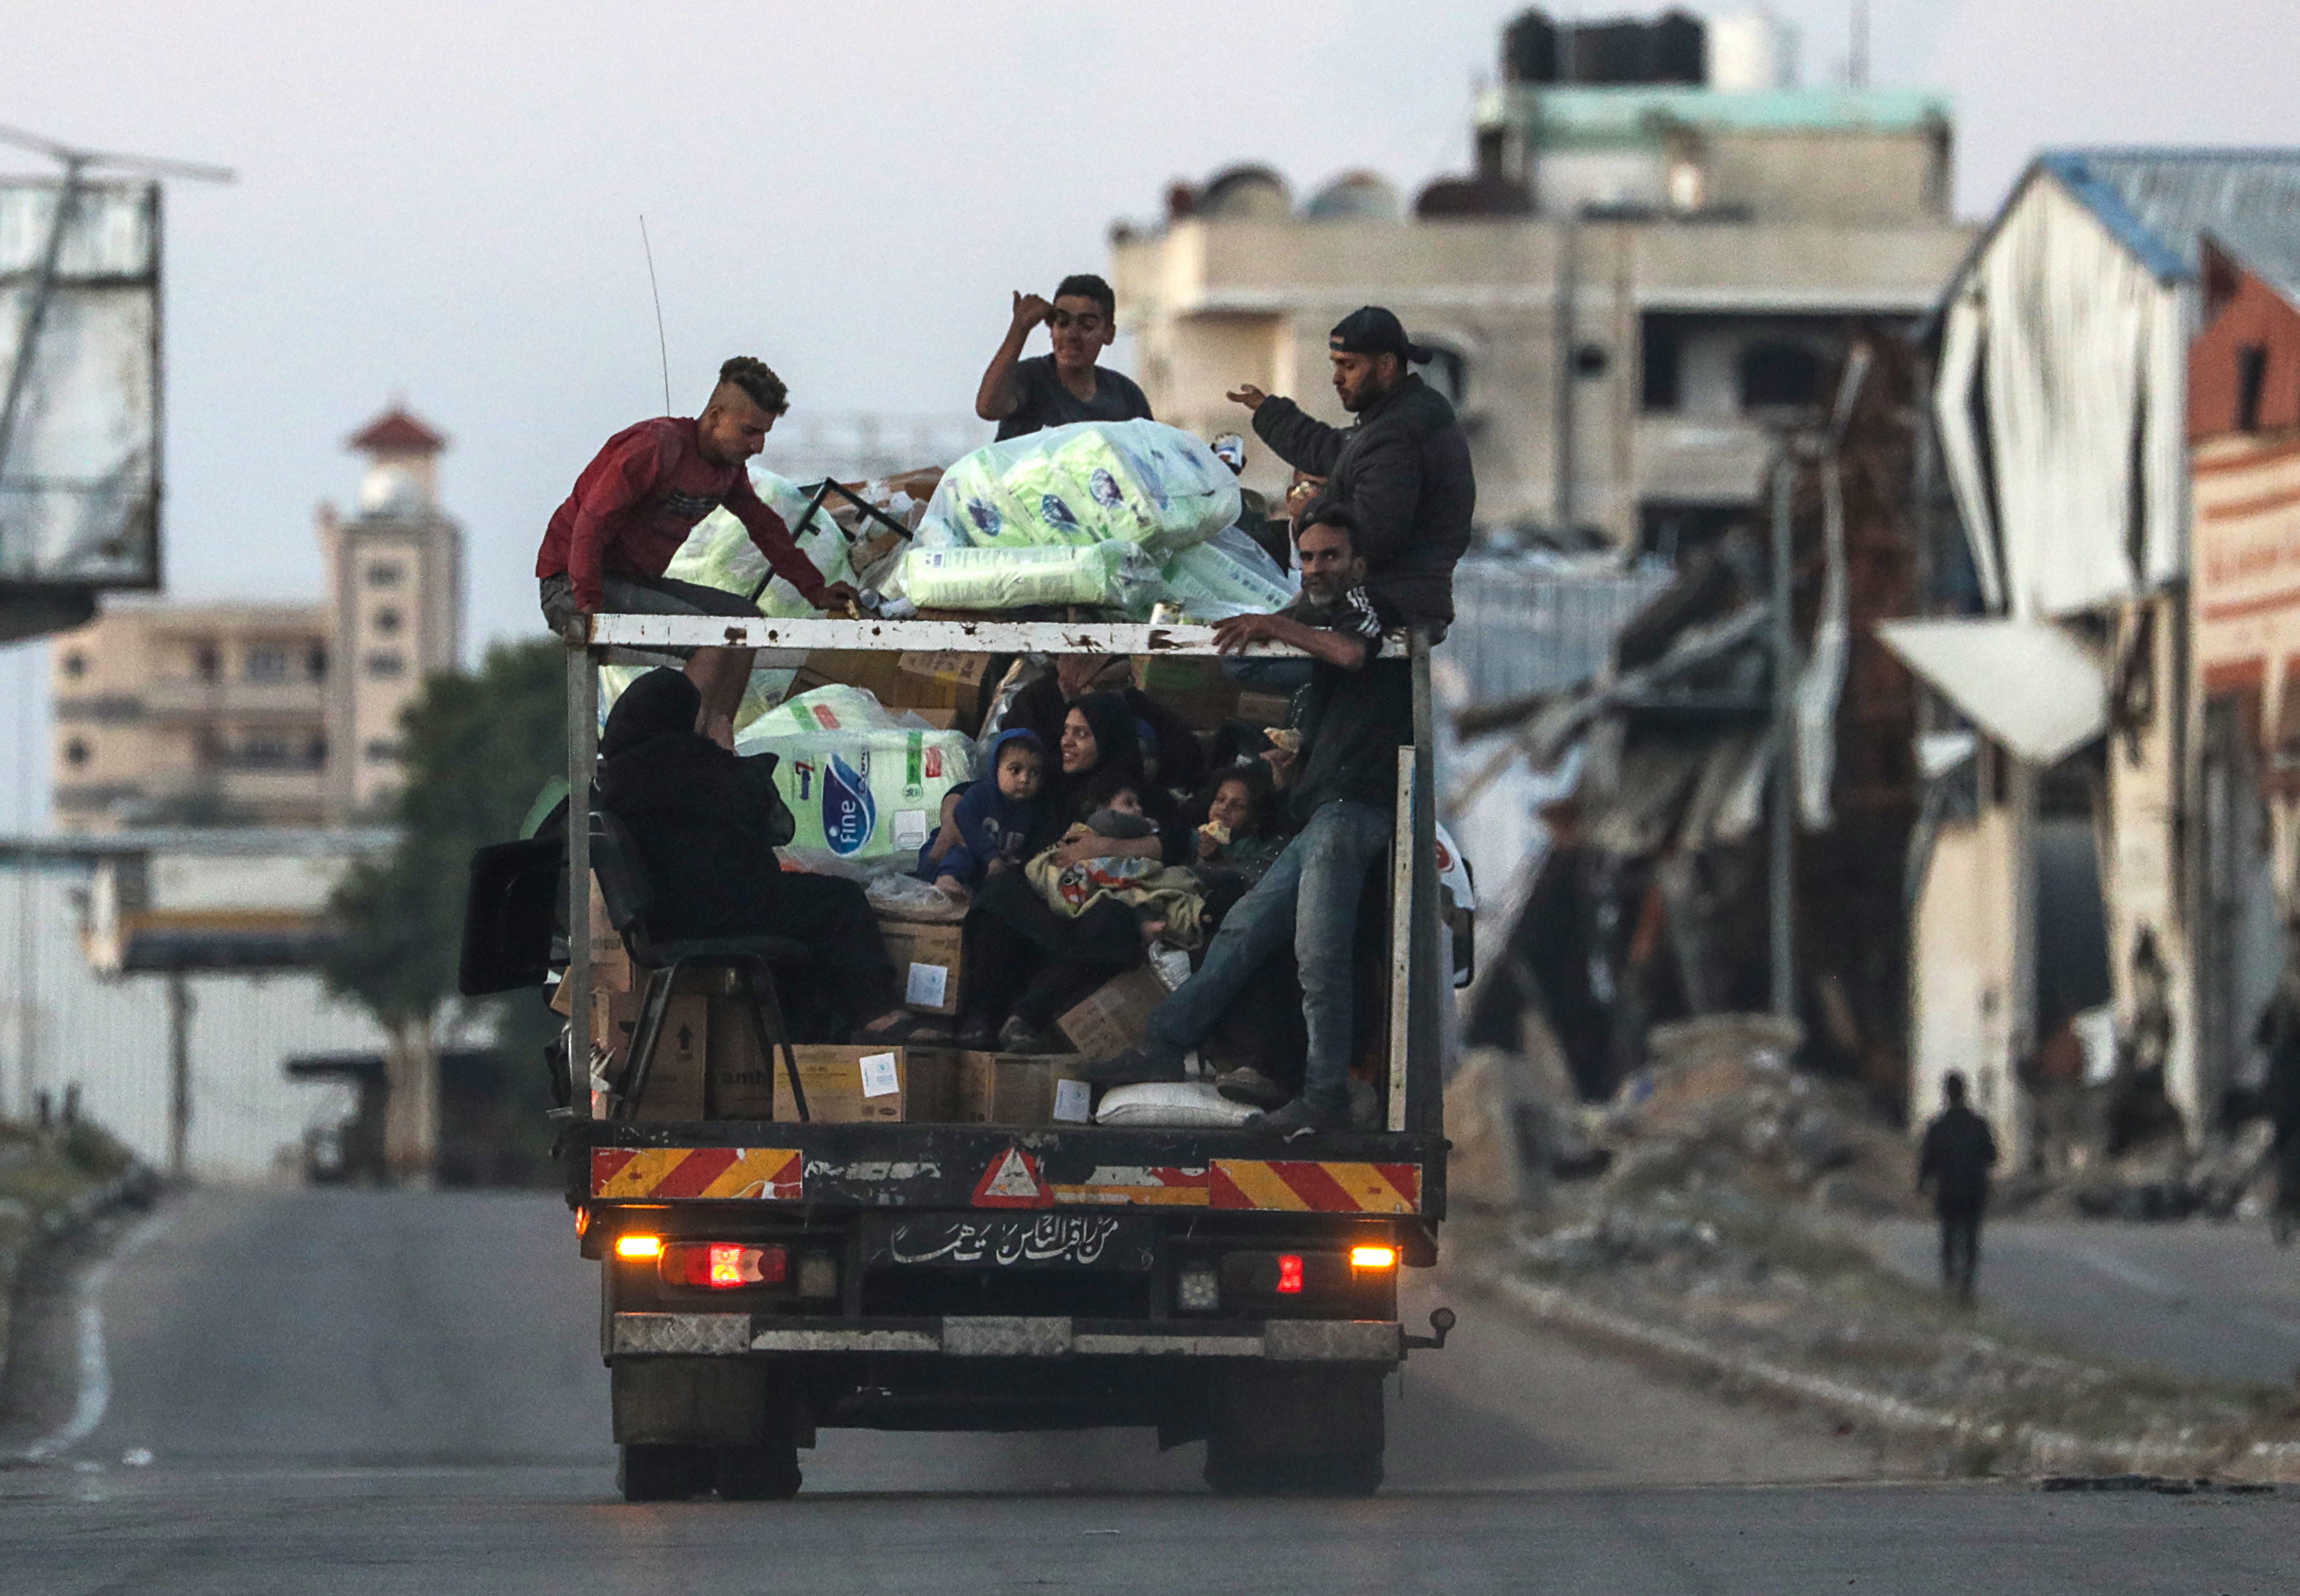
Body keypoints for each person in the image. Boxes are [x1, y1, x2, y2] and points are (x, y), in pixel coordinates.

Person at [1082, 507, 1408, 1138]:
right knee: (1241, 930)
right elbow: (1244, 665)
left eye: (1331, 557)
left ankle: (1323, 1097)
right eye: (1307, 557)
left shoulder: (1368, 604)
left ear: (1359, 563)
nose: (1318, 569)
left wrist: (1276, 619)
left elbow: (1349, 650)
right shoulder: (1318, 630)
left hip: (1353, 813)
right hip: (1323, 814)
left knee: (1319, 958)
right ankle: (1166, 1044)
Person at [593, 670, 935, 1045]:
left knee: (798, 931)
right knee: (841, 901)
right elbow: (766, 815)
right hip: (713, 912)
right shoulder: (685, 763)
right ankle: (877, 1014)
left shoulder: (619, 778)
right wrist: (726, 752)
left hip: (665, 921)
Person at [538, 358, 862, 747]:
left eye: (764, 434)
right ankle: (674, 752)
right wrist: (589, 606)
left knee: (745, 623)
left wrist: (817, 590)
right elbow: (591, 521)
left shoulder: (728, 470)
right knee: (710, 637)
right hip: (572, 585)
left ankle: (715, 742)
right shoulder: (656, 446)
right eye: (750, 432)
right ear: (715, 416)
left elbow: (765, 526)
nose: (758, 446)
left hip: (633, 583)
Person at [1226, 306, 1474, 637]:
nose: (1337, 378)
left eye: (1349, 366)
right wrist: (1269, 412)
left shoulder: (1399, 432)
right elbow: (1332, 450)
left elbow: (1373, 531)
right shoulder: (1394, 420)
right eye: (1336, 365)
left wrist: (1312, 509)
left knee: (1245, 656)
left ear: (1386, 365)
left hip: (1389, 602)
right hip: (1396, 597)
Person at [958, 694, 1180, 1053]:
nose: (1067, 741)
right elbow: (986, 793)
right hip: (1051, 907)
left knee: (1113, 920)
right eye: (1066, 731)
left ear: (1107, 737)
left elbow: (1173, 841)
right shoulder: (1054, 786)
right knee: (1000, 892)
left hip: (1093, 910)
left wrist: (1102, 847)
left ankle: (1026, 1018)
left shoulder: (1143, 797)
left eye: (1082, 733)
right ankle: (979, 1020)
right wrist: (954, 802)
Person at [975, 274, 1153, 442]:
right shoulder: (1030, 379)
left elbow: (1152, 458)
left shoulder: (1126, 396)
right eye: (1063, 323)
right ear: (1051, 329)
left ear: (1109, 334)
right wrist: (1020, 328)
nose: (1072, 335)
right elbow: (987, 408)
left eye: (1087, 326)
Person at [1002, 654, 1207, 799]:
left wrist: (1152, 765)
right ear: (1073, 684)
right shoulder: (1035, 706)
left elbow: (1183, 744)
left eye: (1124, 682)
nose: (1116, 693)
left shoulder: (1127, 698)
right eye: (1105, 686)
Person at [917, 729, 1048, 896]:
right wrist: (991, 857)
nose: (1024, 779)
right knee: (962, 850)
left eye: (1034, 773)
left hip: (986, 870)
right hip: (943, 855)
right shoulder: (980, 795)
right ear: (996, 769)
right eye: (1015, 770)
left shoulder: (1035, 810)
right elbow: (967, 825)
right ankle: (947, 879)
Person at [1916, 1073, 1999, 1304]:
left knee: (1949, 1235)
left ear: (1946, 1094)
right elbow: (1992, 1156)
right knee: (1971, 1238)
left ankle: (1949, 1281)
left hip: (1948, 1190)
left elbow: (1927, 1161)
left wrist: (1922, 1186)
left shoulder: (1938, 1127)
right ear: (1965, 1092)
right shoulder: (1979, 1124)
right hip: (1974, 1190)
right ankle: (1967, 1284)